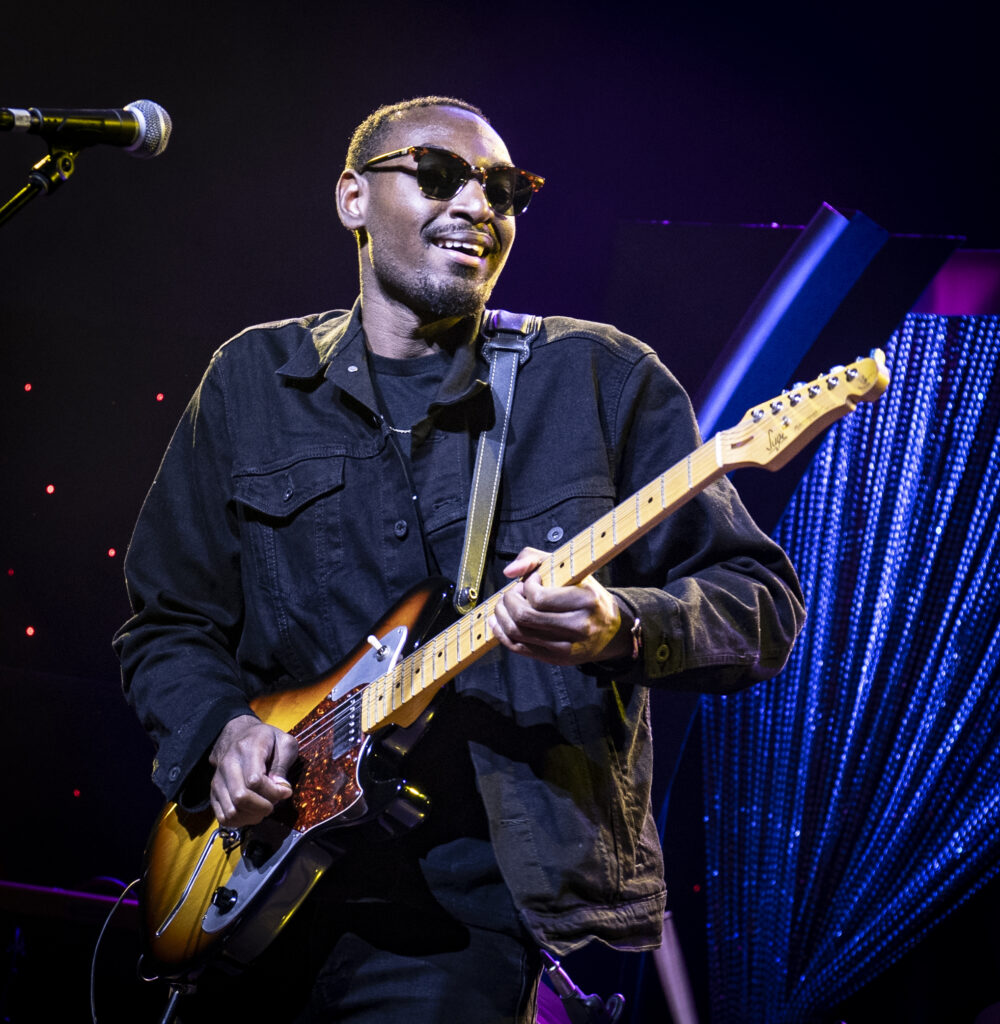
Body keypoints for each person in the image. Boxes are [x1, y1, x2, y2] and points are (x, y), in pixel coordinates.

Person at [114, 96, 805, 1023]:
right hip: (254, 879)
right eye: (439, 176)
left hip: (468, 913)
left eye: (506, 190)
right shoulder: (253, 378)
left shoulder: (599, 378)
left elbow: (759, 604)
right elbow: (167, 621)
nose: (480, 206)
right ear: (353, 199)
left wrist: (621, 626)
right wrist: (222, 734)